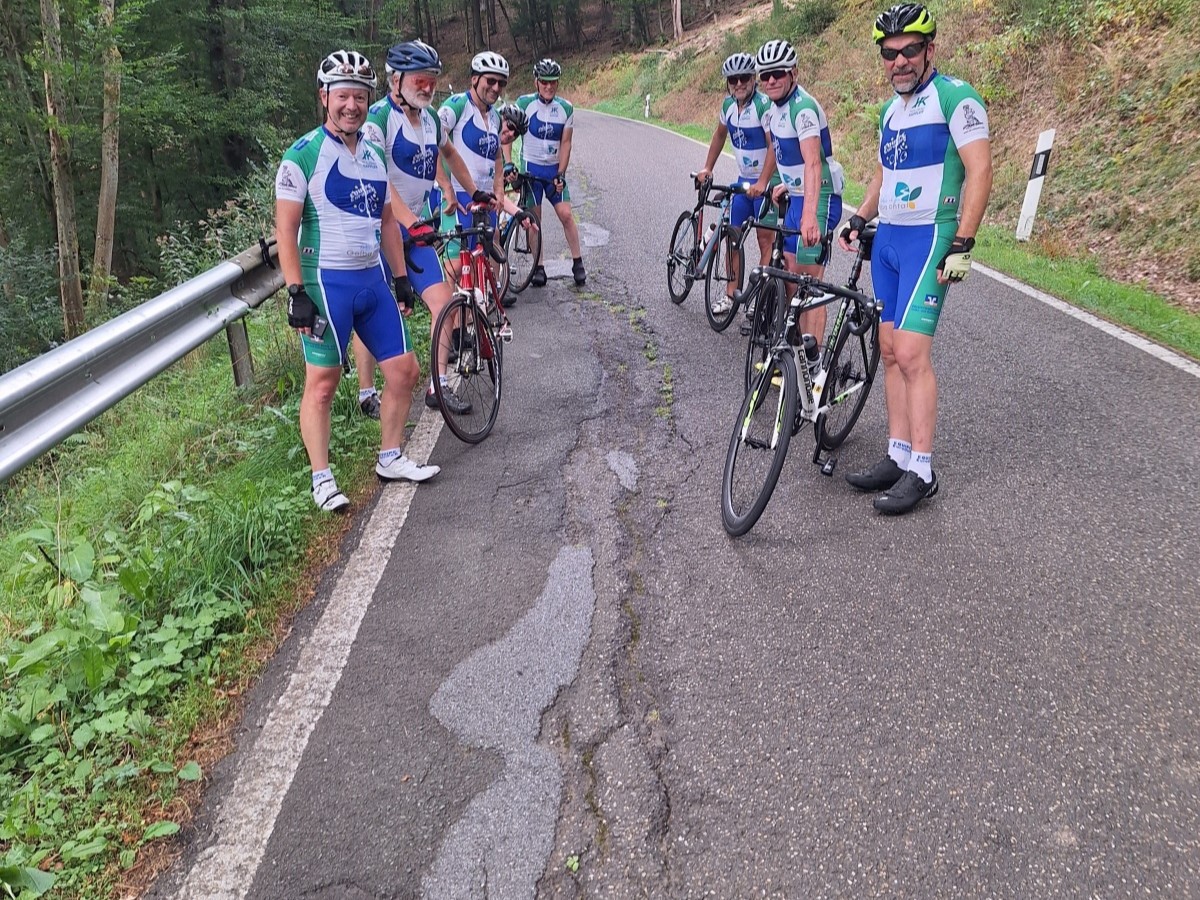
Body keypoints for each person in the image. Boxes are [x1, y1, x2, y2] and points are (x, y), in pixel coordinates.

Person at [839, 3, 992, 514]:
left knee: (910, 354)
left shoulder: (956, 98)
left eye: (909, 50)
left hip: (930, 237)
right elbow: (883, 173)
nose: (899, 61)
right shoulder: (890, 111)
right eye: (890, 53)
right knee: (886, 350)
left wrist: (963, 243)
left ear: (930, 49)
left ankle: (922, 470)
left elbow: (979, 170)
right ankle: (897, 453)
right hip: (890, 240)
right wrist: (860, 217)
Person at [275, 49, 439, 512]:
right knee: (324, 382)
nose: (352, 105)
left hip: (372, 278)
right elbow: (284, 228)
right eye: (343, 95)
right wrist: (295, 293)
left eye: (360, 97)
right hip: (326, 282)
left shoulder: (371, 153)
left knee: (404, 371)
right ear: (324, 97)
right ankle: (321, 478)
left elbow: (388, 220)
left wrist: (403, 278)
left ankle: (390, 456)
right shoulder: (302, 155)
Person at [359, 39, 490, 416]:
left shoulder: (431, 120)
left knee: (444, 302)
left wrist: (476, 191)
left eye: (432, 79)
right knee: (370, 312)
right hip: (380, 235)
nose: (428, 87)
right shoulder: (377, 120)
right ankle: (367, 391)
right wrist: (412, 221)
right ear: (396, 78)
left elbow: (450, 154)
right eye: (420, 79)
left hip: (415, 235)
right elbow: (380, 181)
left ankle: (439, 385)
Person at [756, 39, 843, 352]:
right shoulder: (775, 109)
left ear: (793, 72)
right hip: (798, 195)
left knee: (809, 283)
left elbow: (812, 162)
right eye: (764, 76)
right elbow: (784, 154)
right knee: (792, 278)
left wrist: (808, 214)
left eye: (777, 73)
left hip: (818, 198)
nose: (771, 81)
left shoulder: (803, 108)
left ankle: (812, 363)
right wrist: (785, 184)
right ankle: (798, 353)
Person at [695, 52, 781, 316]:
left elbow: (773, 146)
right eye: (734, 79)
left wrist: (764, 181)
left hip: (767, 183)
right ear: (728, 82)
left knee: (765, 241)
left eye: (744, 78)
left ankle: (760, 297)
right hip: (744, 182)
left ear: (753, 79)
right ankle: (731, 295)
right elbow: (719, 136)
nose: (739, 84)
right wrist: (708, 167)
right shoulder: (728, 107)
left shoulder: (764, 106)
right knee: (732, 238)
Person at [508, 58, 586, 287]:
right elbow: (507, 135)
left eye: (553, 82)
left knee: (566, 214)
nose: (549, 87)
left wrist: (561, 173)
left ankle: (578, 262)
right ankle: (538, 267)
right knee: (534, 220)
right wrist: (509, 163)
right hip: (531, 171)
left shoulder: (566, 108)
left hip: (553, 172)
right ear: (536, 82)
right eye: (544, 82)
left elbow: (566, 143)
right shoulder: (524, 104)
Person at [436, 52, 522, 248]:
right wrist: (445, 186)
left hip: (486, 197)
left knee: (486, 253)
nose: (496, 88)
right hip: (458, 196)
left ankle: (497, 281)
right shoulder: (456, 106)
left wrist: (499, 190)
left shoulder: (495, 117)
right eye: (491, 81)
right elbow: (430, 144)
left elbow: (498, 157)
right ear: (474, 79)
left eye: (501, 83)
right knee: (457, 264)